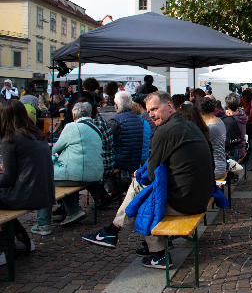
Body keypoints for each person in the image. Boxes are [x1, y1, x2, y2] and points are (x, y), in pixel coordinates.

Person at [82, 92, 214, 269]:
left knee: (143, 198)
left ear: (169, 106)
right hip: (201, 196)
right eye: (149, 110)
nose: (151, 114)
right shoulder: (191, 125)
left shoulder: (165, 132)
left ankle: (156, 253)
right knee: (142, 188)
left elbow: (151, 174)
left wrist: (140, 173)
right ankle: (116, 232)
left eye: (155, 109)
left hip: (187, 202)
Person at [33, 102, 103, 235]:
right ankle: (74, 210)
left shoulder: (72, 127)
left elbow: (55, 148)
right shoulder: (96, 128)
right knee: (63, 178)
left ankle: (43, 224)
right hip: (95, 173)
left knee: (45, 180)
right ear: (89, 114)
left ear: (73, 114)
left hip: (79, 174)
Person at [0, 100, 55, 237]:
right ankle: (21, 239)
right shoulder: (37, 135)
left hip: (26, 195)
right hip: (44, 194)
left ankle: (8, 245)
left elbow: (8, 180)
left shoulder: (10, 139)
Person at [106, 91, 143, 189]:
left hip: (121, 161)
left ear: (116, 106)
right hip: (136, 160)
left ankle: (113, 191)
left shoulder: (115, 121)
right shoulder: (138, 119)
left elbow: (107, 142)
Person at [197, 97, 227, 178]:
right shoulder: (219, 121)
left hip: (215, 169)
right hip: (220, 165)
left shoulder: (210, 128)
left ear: (201, 113)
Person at [225, 93, 248, 159]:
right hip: (242, 149)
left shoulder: (229, 120)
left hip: (232, 151)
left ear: (227, 105)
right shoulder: (242, 115)